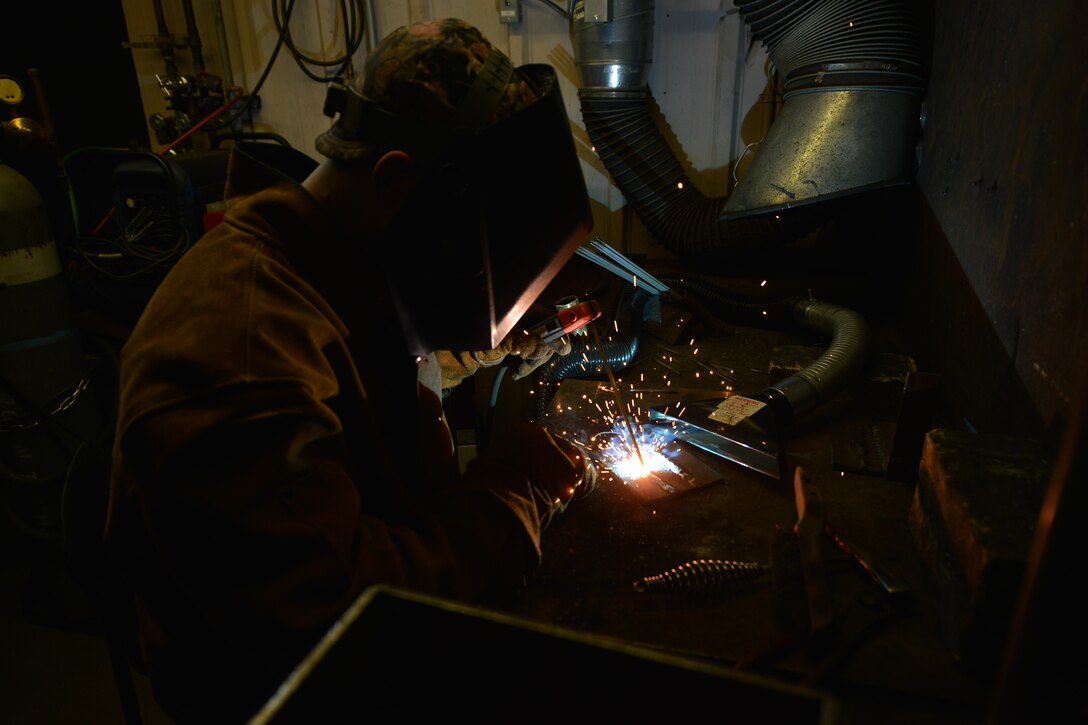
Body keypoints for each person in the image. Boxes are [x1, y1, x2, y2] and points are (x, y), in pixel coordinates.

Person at [104, 18, 596, 721]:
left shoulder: (341, 269)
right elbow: (346, 627)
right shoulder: (238, 354)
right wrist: (513, 491)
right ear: (396, 176)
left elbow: (377, 373)